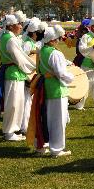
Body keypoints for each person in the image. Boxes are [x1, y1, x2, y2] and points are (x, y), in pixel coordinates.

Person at [29, 26, 75, 157]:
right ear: (53, 40)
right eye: (57, 39)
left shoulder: (42, 50)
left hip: (44, 87)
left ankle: (45, 144)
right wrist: (71, 77)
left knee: (46, 117)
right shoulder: (55, 53)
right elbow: (61, 73)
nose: (58, 41)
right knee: (58, 120)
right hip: (56, 89)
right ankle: (57, 149)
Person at [0, 14, 36, 139]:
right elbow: (20, 59)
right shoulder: (10, 39)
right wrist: (35, 67)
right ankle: (9, 132)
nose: (21, 26)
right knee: (13, 104)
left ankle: (13, 130)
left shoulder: (7, 37)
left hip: (14, 73)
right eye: (19, 24)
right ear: (11, 26)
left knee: (17, 103)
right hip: (13, 74)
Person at [19, 17, 42, 135]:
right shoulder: (27, 44)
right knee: (26, 101)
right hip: (28, 76)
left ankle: (28, 124)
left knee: (30, 101)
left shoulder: (33, 43)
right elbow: (23, 59)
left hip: (33, 75)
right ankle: (25, 126)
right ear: (33, 32)